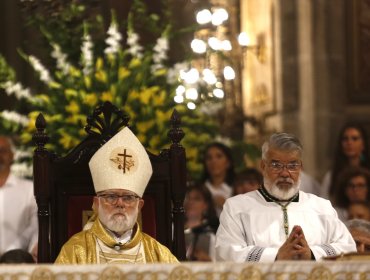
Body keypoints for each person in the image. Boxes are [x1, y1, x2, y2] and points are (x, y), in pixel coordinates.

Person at [215, 132, 356, 262]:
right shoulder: (237, 207)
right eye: (276, 165)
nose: (285, 173)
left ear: (300, 168)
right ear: (263, 166)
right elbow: (226, 252)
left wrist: (312, 253)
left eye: (292, 165)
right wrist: (275, 256)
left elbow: (347, 247)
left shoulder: (321, 207)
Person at [55, 127, 178, 264]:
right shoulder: (75, 250)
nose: (120, 204)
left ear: (140, 206)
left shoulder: (158, 254)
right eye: (111, 197)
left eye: (128, 197)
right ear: (96, 204)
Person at [0, 136, 38, 260]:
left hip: (17, 264)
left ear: (12, 155)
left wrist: (34, 250)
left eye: (2, 151)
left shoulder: (29, 190)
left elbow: (35, 228)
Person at [321, 122, 370, 200]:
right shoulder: (331, 176)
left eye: (355, 139)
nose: (349, 143)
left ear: (363, 144)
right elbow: (324, 202)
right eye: (345, 139)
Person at [184, 184, 218, 261]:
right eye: (187, 198)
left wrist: (208, 260)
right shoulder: (173, 231)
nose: (190, 202)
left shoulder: (212, 236)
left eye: (196, 199)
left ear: (205, 205)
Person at [201, 142, 235, 216]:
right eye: (209, 158)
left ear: (228, 162)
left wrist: (225, 205)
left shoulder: (237, 188)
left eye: (219, 156)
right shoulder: (199, 189)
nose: (213, 161)